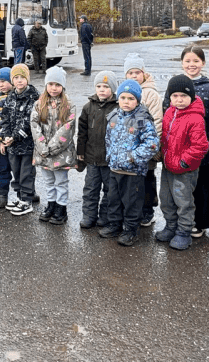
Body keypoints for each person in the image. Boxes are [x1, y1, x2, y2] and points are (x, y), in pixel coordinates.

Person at [100, 79, 159, 246]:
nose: (126, 102)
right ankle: (114, 225)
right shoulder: (113, 116)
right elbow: (108, 139)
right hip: (115, 169)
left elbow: (152, 144)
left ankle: (131, 229)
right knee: (113, 199)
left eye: (131, 98)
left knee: (131, 202)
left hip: (133, 171)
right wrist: (110, 156)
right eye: (123, 98)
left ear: (138, 100)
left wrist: (133, 156)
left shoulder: (143, 119)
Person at [156, 74, 208, 250]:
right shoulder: (170, 112)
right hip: (167, 166)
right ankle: (171, 226)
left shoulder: (195, 117)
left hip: (184, 170)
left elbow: (200, 146)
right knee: (166, 199)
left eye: (183, 96)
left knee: (183, 201)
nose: (179, 100)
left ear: (191, 97)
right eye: (175, 96)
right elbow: (165, 137)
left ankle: (184, 231)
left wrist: (184, 162)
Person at [180, 46, 209, 238]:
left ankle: (202, 221)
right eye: (187, 61)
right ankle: (183, 220)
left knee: (202, 186)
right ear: (182, 63)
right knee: (182, 187)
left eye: (195, 61)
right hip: (180, 147)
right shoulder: (177, 85)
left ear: (202, 63)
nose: (191, 65)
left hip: (201, 149)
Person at [31, 66, 77, 225]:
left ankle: (61, 208)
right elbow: (34, 124)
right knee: (48, 181)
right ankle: (50, 205)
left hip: (60, 153)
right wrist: (42, 146)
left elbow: (67, 128)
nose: (54, 88)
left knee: (60, 181)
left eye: (57, 85)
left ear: (62, 86)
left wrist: (51, 147)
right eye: (50, 84)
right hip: (43, 152)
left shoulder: (68, 105)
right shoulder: (39, 103)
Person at [75, 71, 119, 230]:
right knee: (90, 189)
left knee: (110, 190)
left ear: (113, 89)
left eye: (106, 87)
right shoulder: (88, 107)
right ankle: (89, 215)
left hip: (109, 159)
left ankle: (105, 215)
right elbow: (82, 131)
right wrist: (80, 152)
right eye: (99, 86)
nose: (102, 89)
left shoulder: (118, 107)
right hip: (92, 157)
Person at [124, 53, 163, 227]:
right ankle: (133, 211)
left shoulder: (151, 94)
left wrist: (151, 147)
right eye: (130, 72)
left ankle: (148, 211)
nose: (134, 76)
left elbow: (158, 121)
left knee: (147, 181)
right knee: (132, 183)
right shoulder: (125, 92)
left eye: (137, 72)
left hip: (146, 149)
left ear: (144, 74)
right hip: (128, 149)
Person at [0, 63, 39, 216]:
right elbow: (5, 118)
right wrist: (5, 137)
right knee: (16, 171)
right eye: (16, 78)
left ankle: (27, 200)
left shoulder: (34, 97)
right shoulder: (10, 96)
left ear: (27, 79)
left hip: (27, 144)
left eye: (22, 77)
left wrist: (14, 137)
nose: (19, 81)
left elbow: (29, 121)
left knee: (26, 172)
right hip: (12, 145)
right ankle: (20, 196)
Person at [0, 66, 14, 209]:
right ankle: (2, 194)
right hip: (4, 142)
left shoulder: (17, 96)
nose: (1, 85)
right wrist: (1, 141)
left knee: (24, 170)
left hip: (19, 140)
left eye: (4, 81)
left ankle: (28, 192)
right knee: (3, 167)